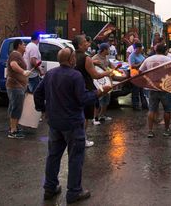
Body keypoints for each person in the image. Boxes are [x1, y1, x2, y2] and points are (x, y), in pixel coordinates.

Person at [34, 47, 112, 202]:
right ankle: (74, 192)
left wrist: (43, 109)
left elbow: (37, 93)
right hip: (73, 123)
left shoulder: (50, 74)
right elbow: (83, 99)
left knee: (53, 156)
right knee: (75, 158)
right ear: (71, 60)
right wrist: (100, 92)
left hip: (55, 123)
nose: (76, 59)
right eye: (74, 57)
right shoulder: (75, 75)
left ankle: (50, 188)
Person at [73, 35, 113, 147]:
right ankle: (82, 139)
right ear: (80, 45)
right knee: (85, 117)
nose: (88, 43)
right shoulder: (86, 58)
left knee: (77, 115)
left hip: (74, 89)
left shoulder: (72, 56)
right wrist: (107, 73)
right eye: (85, 42)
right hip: (86, 89)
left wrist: (93, 63)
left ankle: (76, 138)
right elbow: (95, 76)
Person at [140, 44, 171, 138]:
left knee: (151, 110)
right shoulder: (169, 60)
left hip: (152, 88)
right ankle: (167, 130)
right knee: (167, 110)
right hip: (165, 87)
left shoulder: (148, 59)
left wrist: (148, 79)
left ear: (155, 50)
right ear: (165, 51)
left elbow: (140, 71)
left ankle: (150, 131)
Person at [6, 39, 31, 139]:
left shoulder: (18, 55)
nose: (25, 46)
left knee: (15, 106)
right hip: (15, 86)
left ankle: (14, 126)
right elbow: (13, 65)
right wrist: (23, 72)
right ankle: (13, 131)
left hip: (18, 86)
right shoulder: (15, 54)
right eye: (23, 44)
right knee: (16, 107)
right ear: (19, 45)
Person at [91, 43, 117, 123]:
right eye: (108, 49)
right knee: (98, 99)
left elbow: (110, 65)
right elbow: (92, 68)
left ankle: (102, 115)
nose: (109, 50)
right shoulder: (95, 58)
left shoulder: (106, 57)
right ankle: (95, 118)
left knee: (106, 99)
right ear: (104, 50)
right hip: (99, 82)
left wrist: (115, 69)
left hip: (107, 81)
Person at [129, 42, 148, 110]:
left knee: (143, 91)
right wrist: (142, 63)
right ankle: (135, 105)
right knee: (136, 92)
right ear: (135, 48)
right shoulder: (132, 56)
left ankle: (144, 104)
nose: (140, 49)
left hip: (142, 75)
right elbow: (133, 65)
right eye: (139, 48)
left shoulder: (140, 54)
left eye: (141, 48)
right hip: (135, 76)